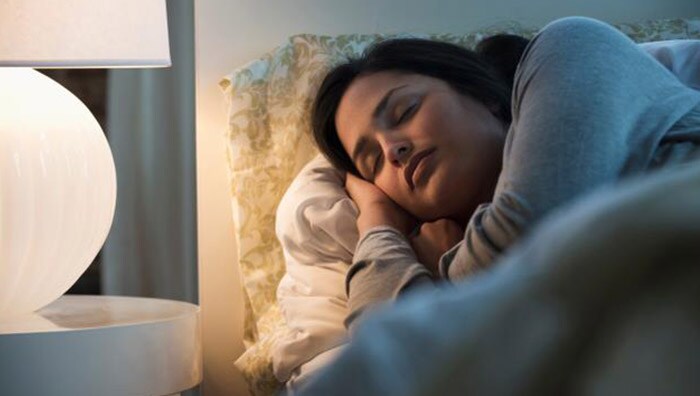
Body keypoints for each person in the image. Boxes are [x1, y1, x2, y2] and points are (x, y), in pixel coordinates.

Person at [310, 16, 700, 331]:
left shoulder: (567, 48)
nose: (392, 150)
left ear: (484, 95)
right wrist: (378, 225)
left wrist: (440, 272)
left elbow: (532, 230)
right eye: (372, 161)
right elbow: (387, 358)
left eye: (405, 111)